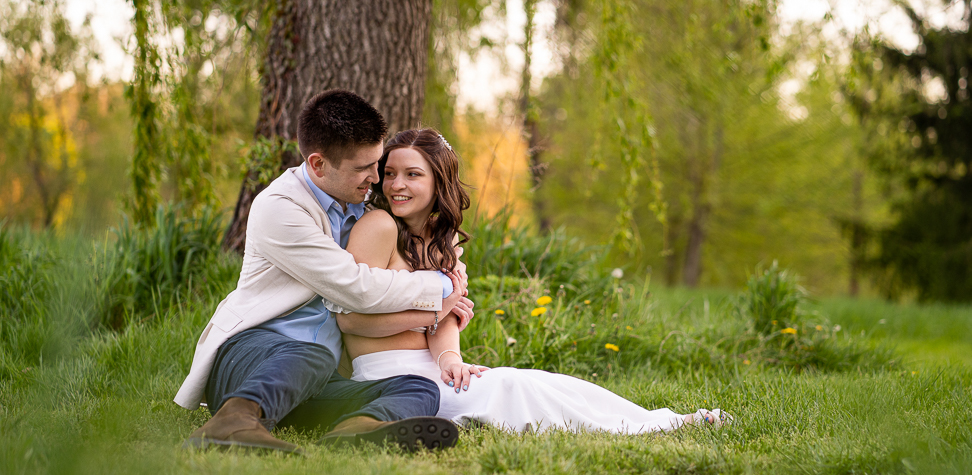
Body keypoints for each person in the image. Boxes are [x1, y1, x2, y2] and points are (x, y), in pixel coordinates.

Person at [336, 128, 731, 434]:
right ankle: (651, 427)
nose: (396, 185)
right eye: (389, 174)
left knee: (536, 380)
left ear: (439, 181)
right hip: (387, 375)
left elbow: (445, 320)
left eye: (412, 174)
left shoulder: (445, 239)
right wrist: (431, 315)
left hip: (431, 368)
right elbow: (350, 320)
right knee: (514, 388)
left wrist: (450, 359)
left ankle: (662, 419)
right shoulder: (378, 225)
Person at [176, 91, 476, 454]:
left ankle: (358, 428)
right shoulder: (279, 208)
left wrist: (450, 265)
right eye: (362, 169)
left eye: (376, 163)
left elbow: (417, 234)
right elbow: (356, 288)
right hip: (253, 357)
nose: (376, 178)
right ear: (318, 164)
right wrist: (440, 287)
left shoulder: (361, 202)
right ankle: (235, 419)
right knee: (311, 354)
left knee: (417, 387)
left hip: (318, 379)